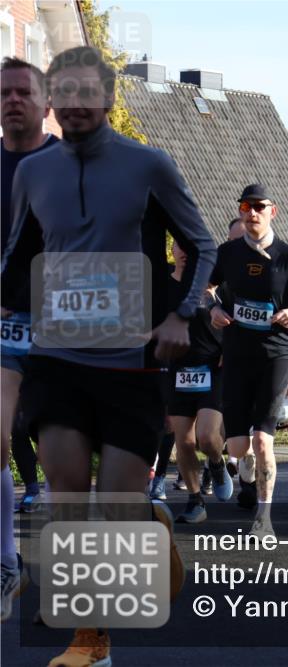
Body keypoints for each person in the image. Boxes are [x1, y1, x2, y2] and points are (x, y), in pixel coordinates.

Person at [1, 46, 217, 663]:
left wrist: (181, 313)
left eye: (83, 92)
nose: (71, 104)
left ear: (107, 96)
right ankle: (89, 639)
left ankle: (145, 523)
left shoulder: (149, 164)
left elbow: (200, 247)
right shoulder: (31, 174)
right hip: (58, 357)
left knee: (117, 508)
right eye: (61, 93)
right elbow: (19, 253)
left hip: (132, 362)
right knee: (64, 492)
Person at [208, 183, 288, 537]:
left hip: (276, 354)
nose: (252, 212)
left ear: (273, 211)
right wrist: (213, 308)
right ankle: (244, 465)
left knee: (263, 441)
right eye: (246, 206)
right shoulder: (226, 254)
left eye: (259, 206)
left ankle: (264, 519)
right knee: (239, 445)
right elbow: (205, 288)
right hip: (238, 353)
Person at [0, 55, 57, 622]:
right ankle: (7, 559)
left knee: (65, 459)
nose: (13, 100)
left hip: (68, 328)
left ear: (45, 106)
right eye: (4, 94)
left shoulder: (70, 166)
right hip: (7, 334)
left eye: (24, 93)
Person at [167, 239, 231, 523]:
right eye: (180, 246)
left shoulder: (216, 287)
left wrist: (229, 352)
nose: (184, 252)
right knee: (183, 440)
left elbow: (235, 323)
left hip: (212, 369)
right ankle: (195, 500)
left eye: (190, 247)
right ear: (173, 250)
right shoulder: (162, 285)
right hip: (177, 371)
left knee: (206, 436)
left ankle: (216, 463)